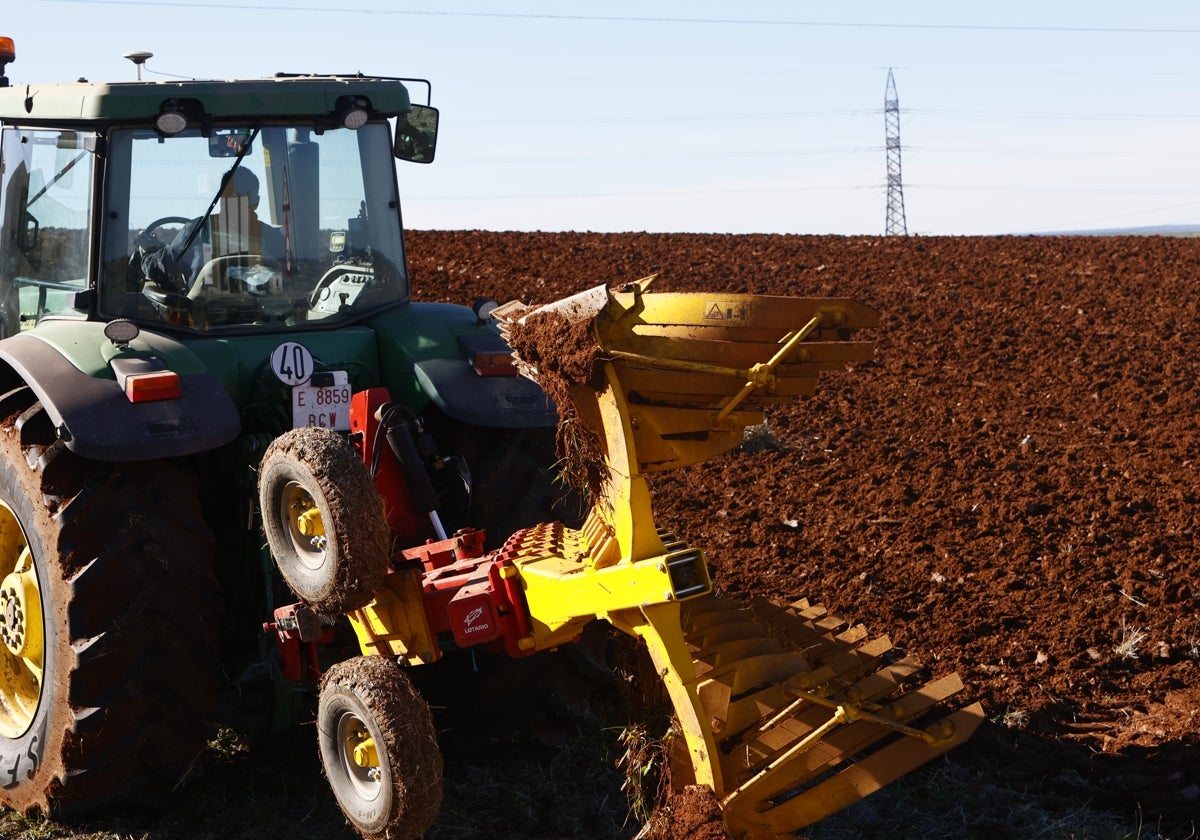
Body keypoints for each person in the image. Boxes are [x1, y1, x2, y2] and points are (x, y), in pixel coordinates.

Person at [139, 167, 284, 295]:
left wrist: (149, 253)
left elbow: (163, 269)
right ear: (256, 201)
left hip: (204, 320)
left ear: (220, 197)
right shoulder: (275, 239)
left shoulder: (196, 231)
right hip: (264, 320)